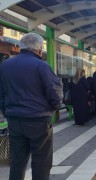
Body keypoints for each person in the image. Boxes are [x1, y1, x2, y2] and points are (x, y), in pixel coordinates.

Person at [0, 33, 63, 180]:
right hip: (39, 120)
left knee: (17, 162)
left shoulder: (4, 66)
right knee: (41, 162)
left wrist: (8, 112)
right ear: (39, 49)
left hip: (15, 120)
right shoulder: (42, 66)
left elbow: (1, 94)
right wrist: (53, 108)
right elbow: (55, 93)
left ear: (20, 47)